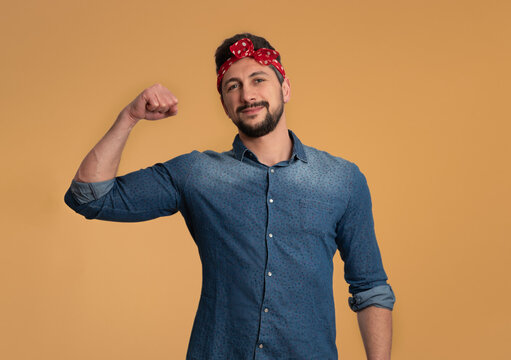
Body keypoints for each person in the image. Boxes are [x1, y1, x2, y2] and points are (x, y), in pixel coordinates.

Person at [64, 33, 396, 360]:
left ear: (285, 88)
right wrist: (130, 117)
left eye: (258, 79)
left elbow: (370, 288)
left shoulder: (341, 179)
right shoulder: (197, 174)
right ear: (224, 104)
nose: (247, 94)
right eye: (232, 86)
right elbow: (90, 196)